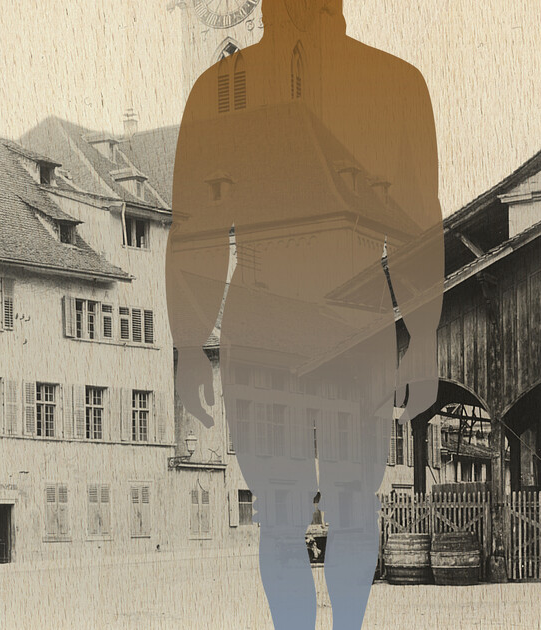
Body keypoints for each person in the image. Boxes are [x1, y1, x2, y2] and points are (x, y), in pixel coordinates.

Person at [166, 1, 443, 629]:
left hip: (349, 332)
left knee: (350, 509)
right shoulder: (219, 92)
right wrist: (187, 342)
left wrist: (423, 336)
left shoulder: (396, 85)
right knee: (283, 516)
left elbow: (419, 225)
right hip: (277, 331)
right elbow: (196, 229)